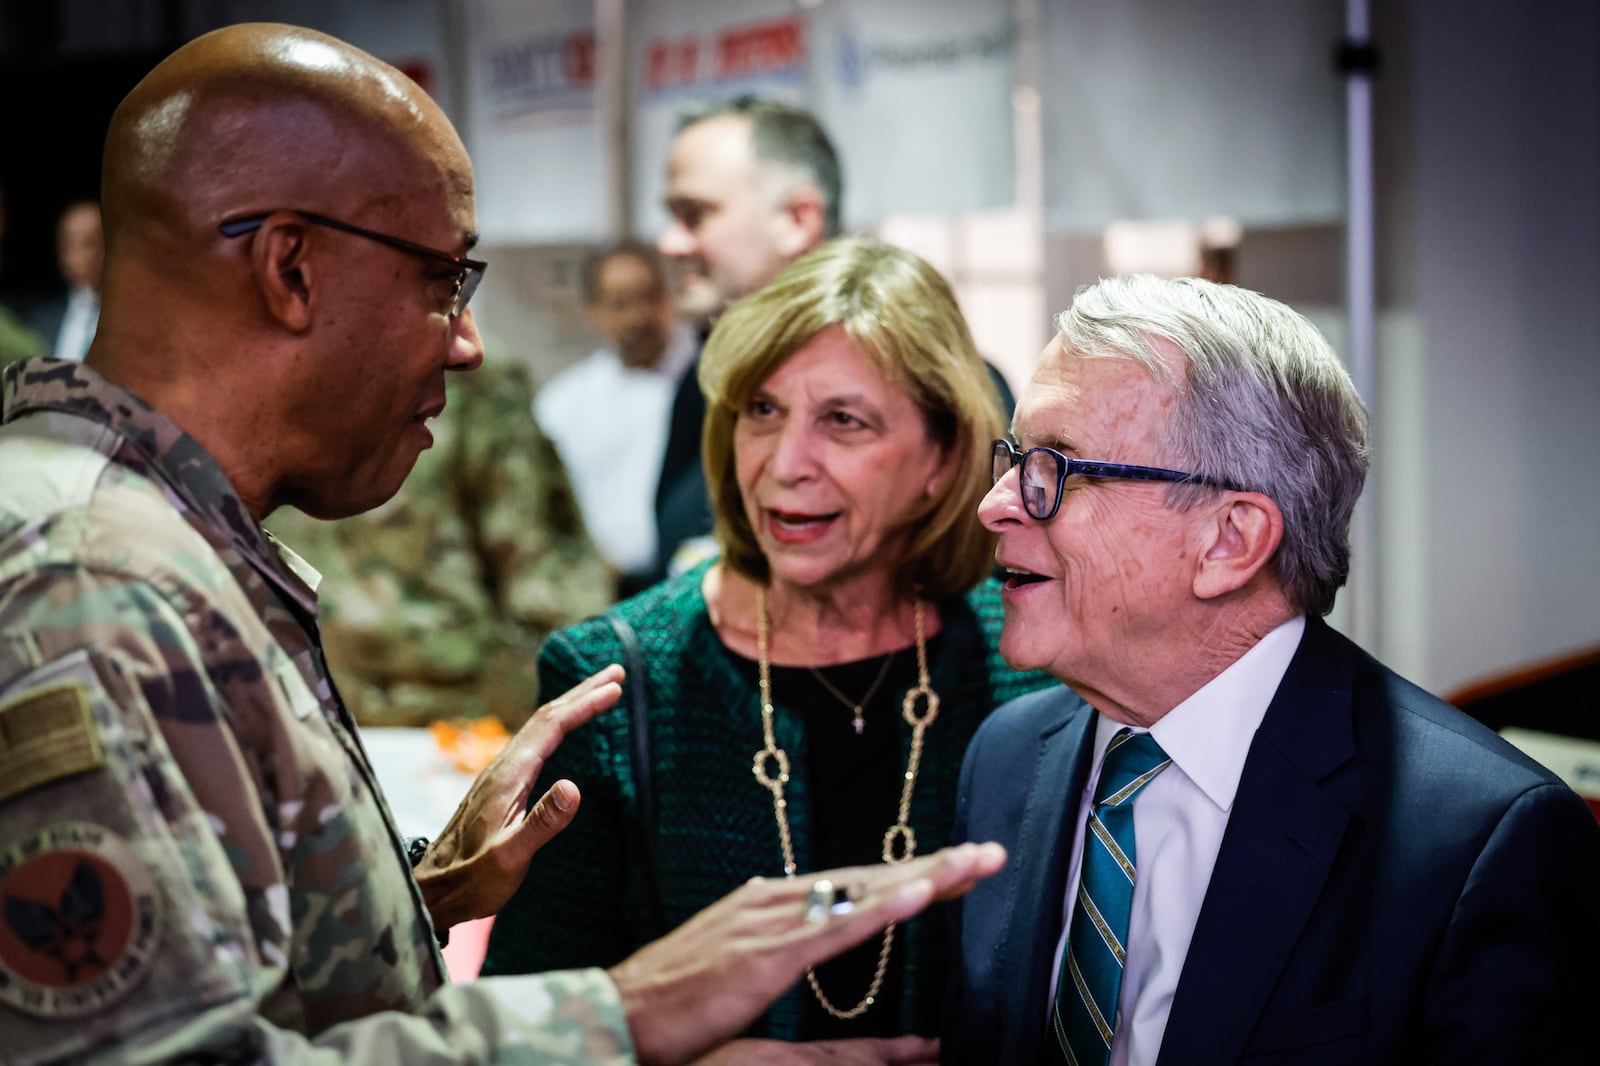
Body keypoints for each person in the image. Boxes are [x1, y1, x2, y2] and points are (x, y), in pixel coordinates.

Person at [0, 23, 1009, 1064]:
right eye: (444, 282)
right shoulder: (85, 577)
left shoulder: (152, 547)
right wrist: (624, 1018)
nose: (470, 342)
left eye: (845, 420)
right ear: (290, 268)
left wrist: (415, 893)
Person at [942, 273, 1600, 1063]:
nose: (997, 503)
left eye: (1057, 468)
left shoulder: (1483, 841)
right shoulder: (1008, 755)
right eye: (1013, 458)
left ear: (1230, 541)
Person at [482, 237, 1055, 1043]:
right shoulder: (617, 679)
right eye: (762, 410)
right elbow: (524, 1027)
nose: (786, 464)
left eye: (844, 421)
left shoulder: (1029, 661)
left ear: (943, 456)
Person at [651, 98, 1018, 586]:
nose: (670, 244)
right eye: (762, 411)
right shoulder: (703, 385)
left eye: (695, 214)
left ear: (799, 219)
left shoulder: (955, 387)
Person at [269, 339, 613, 730]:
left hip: (452, 728)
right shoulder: (265, 372)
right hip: (307, 716)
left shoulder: (470, 380)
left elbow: (555, 586)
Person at [536, 240, 695, 598]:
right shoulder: (564, 405)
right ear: (592, 311)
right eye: (621, 304)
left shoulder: (702, 385)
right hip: (600, 590)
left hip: (686, 585)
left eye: (648, 297)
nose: (638, 316)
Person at [26, 200, 103, 363]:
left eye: (92, 241)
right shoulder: (40, 323)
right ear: (62, 254)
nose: (87, 254)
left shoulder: (131, 317)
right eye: (73, 243)